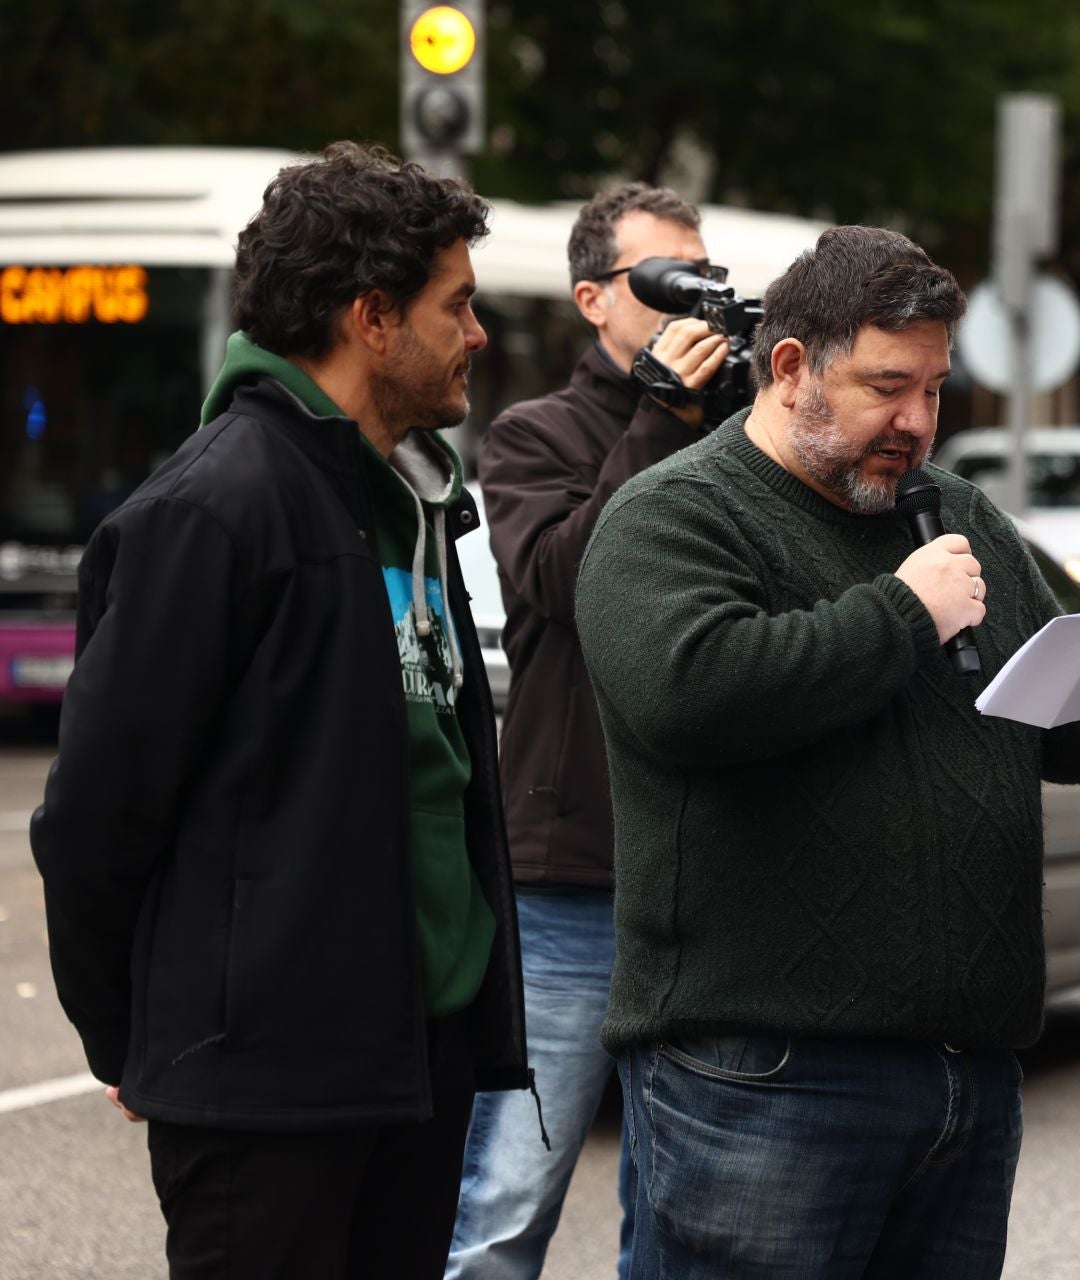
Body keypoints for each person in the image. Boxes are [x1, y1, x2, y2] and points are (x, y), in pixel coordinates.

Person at [572, 224, 1080, 1279]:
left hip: (966, 1071)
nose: (916, 421)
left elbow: (1047, 725)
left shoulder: (957, 514)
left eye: (936, 390)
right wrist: (903, 615)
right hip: (765, 1072)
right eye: (887, 386)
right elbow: (690, 694)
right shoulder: (674, 515)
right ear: (790, 367)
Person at [29, 142, 528, 1278]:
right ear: (373, 318)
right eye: (457, 305)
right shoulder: (215, 509)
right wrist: (140, 1038)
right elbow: (93, 823)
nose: (478, 334)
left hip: (414, 1066)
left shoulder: (409, 497)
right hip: (266, 1088)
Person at [447, 182, 720, 1280]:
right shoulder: (532, 434)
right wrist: (658, 415)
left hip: (704, 878)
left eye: (706, 277)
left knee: (683, 1217)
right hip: (570, 878)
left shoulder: (746, 427)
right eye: (668, 282)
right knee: (507, 1203)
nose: (694, 303)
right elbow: (566, 581)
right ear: (595, 299)